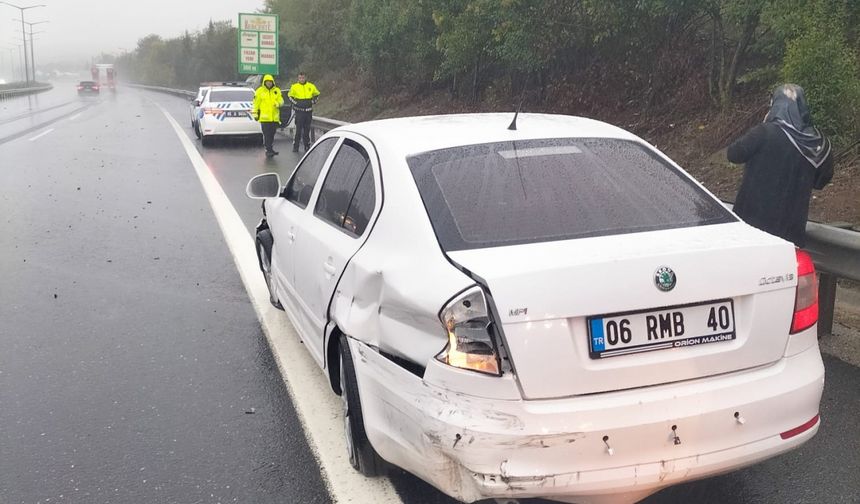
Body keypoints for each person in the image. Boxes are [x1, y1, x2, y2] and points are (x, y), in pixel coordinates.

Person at [727, 84, 834, 247]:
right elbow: (821, 181)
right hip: (790, 235)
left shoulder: (764, 132)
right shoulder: (818, 143)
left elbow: (733, 154)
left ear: (775, 105)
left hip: (751, 230)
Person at [252, 74, 284, 157]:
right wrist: (255, 114)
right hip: (265, 118)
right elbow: (256, 104)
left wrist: (278, 104)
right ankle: (268, 150)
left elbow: (282, 101)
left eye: (270, 82)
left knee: (272, 134)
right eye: (267, 82)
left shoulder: (276, 90)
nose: (269, 83)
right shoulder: (259, 91)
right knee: (267, 135)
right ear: (264, 82)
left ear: (272, 82)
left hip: (274, 118)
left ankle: (270, 148)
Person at [287, 72, 321, 153]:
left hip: (308, 112)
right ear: (298, 78)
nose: (302, 79)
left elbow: (317, 94)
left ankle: (307, 146)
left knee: (307, 130)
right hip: (299, 112)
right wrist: (296, 103)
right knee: (298, 130)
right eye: (300, 78)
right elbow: (289, 96)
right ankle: (296, 146)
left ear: (305, 78)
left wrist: (313, 101)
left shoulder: (311, 86)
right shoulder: (294, 87)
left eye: (303, 78)